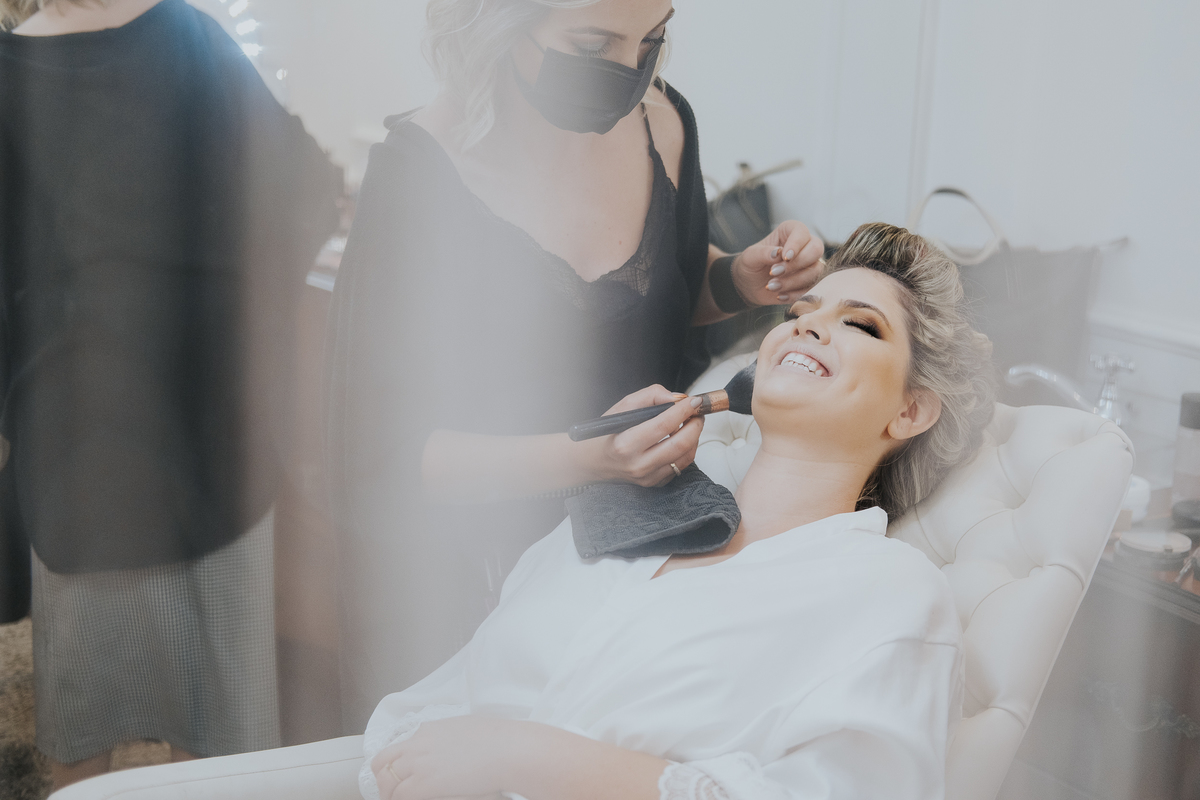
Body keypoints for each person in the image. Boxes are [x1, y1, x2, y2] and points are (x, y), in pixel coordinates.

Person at [358, 223, 997, 800]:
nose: (806, 326)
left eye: (860, 325)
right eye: (800, 311)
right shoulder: (625, 514)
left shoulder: (892, 595)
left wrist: (523, 757)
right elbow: (437, 711)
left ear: (910, 410)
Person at [328, 0, 827, 728]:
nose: (630, 72)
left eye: (652, 38)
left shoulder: (665, 124)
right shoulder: (420, 175)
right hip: (463, 580)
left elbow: (659, 294)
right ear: (499, 21)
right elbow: (385, 458)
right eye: (593, 44)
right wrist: (589, 459)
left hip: (620, 562)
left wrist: (739, 280)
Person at [0, 0, 340, 788]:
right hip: (209, 409)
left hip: (77, 423)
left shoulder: (12, 72)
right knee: (218, 695)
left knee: (82, 693)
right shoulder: (190, 35)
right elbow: (301, 185)